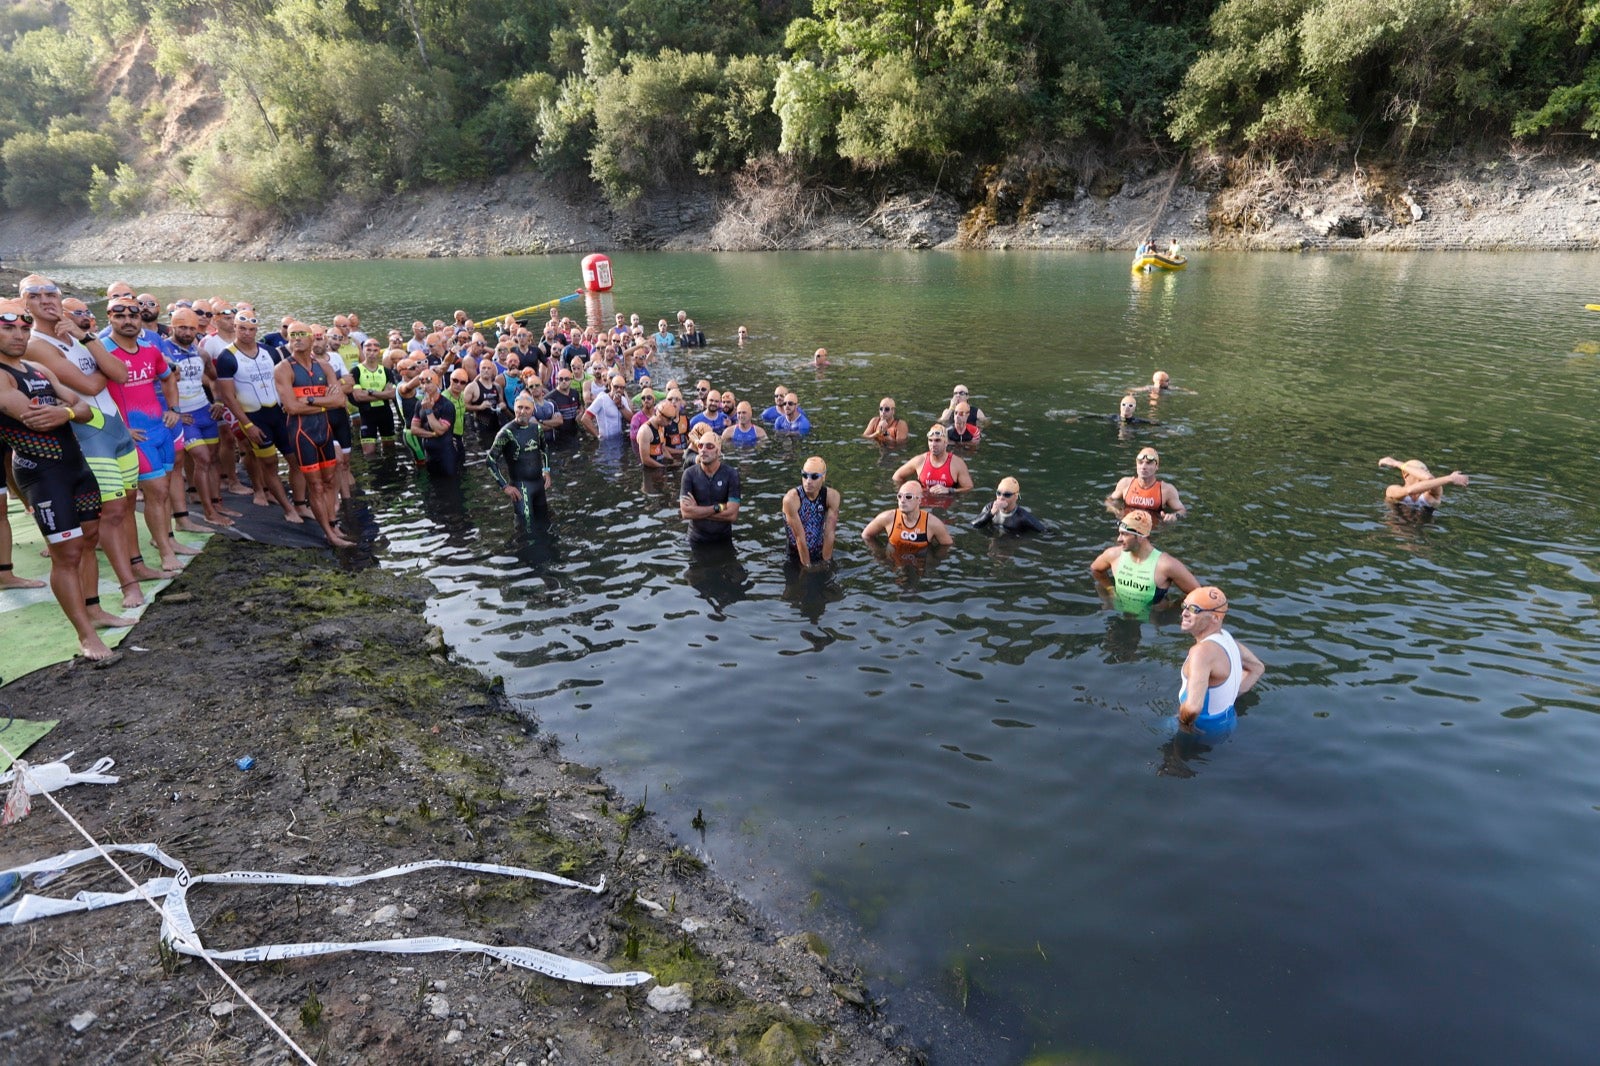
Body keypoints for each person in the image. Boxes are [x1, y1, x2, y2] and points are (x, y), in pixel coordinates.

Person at [0, 297, 130, 659]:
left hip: (77, 467)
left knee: (89, 539)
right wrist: (66, 409)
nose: (19, 335)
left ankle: (95, 609)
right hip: (43, 475)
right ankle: (85, 635)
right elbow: (32, 417)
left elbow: (83, 408)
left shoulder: (38, 368)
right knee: (67, 553)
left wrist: (67, 411)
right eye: (8, 328)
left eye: (24, 328)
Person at [274, 321, 353, 546]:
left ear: (312, 338)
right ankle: (328, 534)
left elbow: (340, 401)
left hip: (324, 431)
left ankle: (333, 523)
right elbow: (291, 407)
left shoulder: (324, 367)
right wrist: (324, 403)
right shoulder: (283, 369)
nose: (297, 338)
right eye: (292, 335)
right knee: (316, 485)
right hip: (302, 433)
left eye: (301, 334)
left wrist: (309, 400)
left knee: (329, 480)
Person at [1177, 586, 1265, 735]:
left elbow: (1192, 708)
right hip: (1228, 720)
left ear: (1215, 617)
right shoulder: (1227, 638)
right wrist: (1230, 696)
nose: (1184, 613)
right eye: (1184, 606)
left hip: (1200, 728)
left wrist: (1182, 725)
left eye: (1194, 609)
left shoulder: (1201, 652)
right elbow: (1257, 668)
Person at [1089, 510, 1199, 613]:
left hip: (1152, 619)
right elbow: (1095, 569)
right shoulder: (1113, 555)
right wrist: (1110, 589)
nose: (1119, 539)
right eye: (1119, 533)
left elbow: (1198, 594)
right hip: (1121, 614)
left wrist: (1172, 610)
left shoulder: (1165, 565)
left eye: (1125, 534)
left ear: (1141, 536)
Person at [488, 394, 553, 528]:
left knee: (545, 522)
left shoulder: (536, 428)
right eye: (519, 407)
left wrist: (546, 471)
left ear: (533, 410)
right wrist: (505, 486)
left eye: (527, 408)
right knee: (526, 528)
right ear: (514, 408)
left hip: (539, 484)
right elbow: (490, 460)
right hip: (521, 488)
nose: (522, 411)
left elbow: (544, 449)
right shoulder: (506, 432)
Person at [679, 434, 740, 544]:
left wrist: (697, 510)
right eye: (700, 446)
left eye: (709, 446)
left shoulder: (731, 474)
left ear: (718, 451)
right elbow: (686, 513)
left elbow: (732, 515)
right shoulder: (689, 474)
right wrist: (720, 507)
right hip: (696, 540)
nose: (703, 450)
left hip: (724, 540)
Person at [781, 456, 840, 568]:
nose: (808, 481)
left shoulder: (832, 497)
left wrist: (825, 563)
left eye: (814, 477)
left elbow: (829, 534)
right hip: (795, 555)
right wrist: (808, 567)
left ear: (823, 477)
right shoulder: (792, 499)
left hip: (818, 551)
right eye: (805, 475)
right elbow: (799, 537)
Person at [862, 480, 953, 552]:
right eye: (900, 496)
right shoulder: (887, 518)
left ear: (919, 500)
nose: (902, 500)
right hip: (894, 562)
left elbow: (946, 547)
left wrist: (932, 562)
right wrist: (880, 555)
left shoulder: (933, 524)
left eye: (908, 497)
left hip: (920, 563)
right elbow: (866, 535)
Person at [1105, 448, 1186, 525]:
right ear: (1136, 465)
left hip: (1152, 529)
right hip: (1128, 526)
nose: (1143, 467)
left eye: (1148, 463)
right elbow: (1109, 501)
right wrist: (1116, 511)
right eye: (1140, 463)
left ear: (1156, 466)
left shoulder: (1167, 490)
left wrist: (1174, 516)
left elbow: (1182, 510)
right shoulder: (1125, 483)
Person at [892, 425, 972, 498]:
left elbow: (968, 488)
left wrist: (949, 490)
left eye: (937, 440)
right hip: (923, 505)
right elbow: (897, 477)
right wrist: (910, 491)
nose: (933, 444)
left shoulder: (957, 463)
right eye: (930, 440)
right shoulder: (920, 460)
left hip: (946, 505)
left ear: (946, 443)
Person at [1378, 456, 1469, 510]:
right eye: (1420, 471)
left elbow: (1429, 478)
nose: (1425, 474)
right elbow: (1410, 491)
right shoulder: (1392, 490)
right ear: (1405, 474)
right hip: (1398, 532)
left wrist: (1396, 463)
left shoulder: (1432, 496)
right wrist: (1396, 463)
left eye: (1427, 471)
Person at [972, 477, 1047, 534]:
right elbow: (974, 525)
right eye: (998, 493)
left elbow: (1045, 533)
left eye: (1007, 495)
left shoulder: (1022, 517)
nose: (1001, 497)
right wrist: (991, 514)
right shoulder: (990, 507)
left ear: (1016, 496)